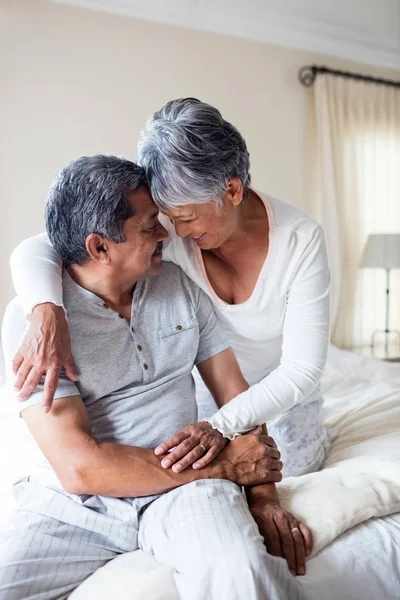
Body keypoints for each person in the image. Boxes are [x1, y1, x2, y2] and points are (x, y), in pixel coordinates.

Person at [10, 98, 328, 566]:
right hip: (196, 406)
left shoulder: (300, 240)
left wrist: (243, 462)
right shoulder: (170, 231)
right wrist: (44, 307)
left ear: (233, 191)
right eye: (163, 216)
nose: (171, 230)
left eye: (185, 216)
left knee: (283, 471)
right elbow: (50, 243)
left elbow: (301, 368)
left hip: (270, 399)